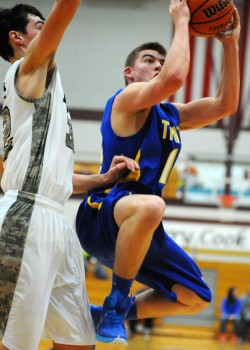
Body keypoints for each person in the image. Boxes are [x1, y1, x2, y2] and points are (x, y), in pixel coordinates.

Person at [76, 0, 241, 345]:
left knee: (195, 296)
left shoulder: (171, 114)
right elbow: (176, 77)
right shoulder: (126, 100)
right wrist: (182, 20)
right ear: (129, 73)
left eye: (162, 61)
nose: (158, 65)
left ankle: (107, 313)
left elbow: (225, 105)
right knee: (151, 205)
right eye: (148, 60)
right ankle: (115, 302)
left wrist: (229, 42)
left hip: (143, 221)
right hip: (106, 211)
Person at [0, 2, 139, 350]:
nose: (49, 32)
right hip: (24, 220)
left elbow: (54, 175)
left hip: (55, 221)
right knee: (12, 342)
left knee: (78, 342)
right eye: (40, 26)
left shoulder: (44, 89)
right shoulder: (26, 69)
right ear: (17, 38)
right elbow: (65, 14)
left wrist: (103, 178)